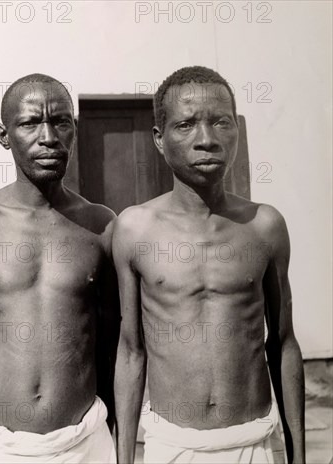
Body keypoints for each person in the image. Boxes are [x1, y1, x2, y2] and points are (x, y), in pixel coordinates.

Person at [114, 66, 305, 463]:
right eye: (186, 125)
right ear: (159, 140)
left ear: (236, 130)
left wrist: (298, 457)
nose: (206, 140)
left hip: (252, 441)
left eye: (221, 123)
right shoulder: (134, 229)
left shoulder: (264, 225)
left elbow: (283, 343)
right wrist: (124, 458)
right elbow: (131, 351)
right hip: (172, 444)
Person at [0, 73, 120, 463]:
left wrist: (107, 436)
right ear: (4, 134)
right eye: (30, 123)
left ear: (74, 130)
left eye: (61, 121)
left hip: (84, 440)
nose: (48, 137)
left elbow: (111, 348)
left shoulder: (101, 225)